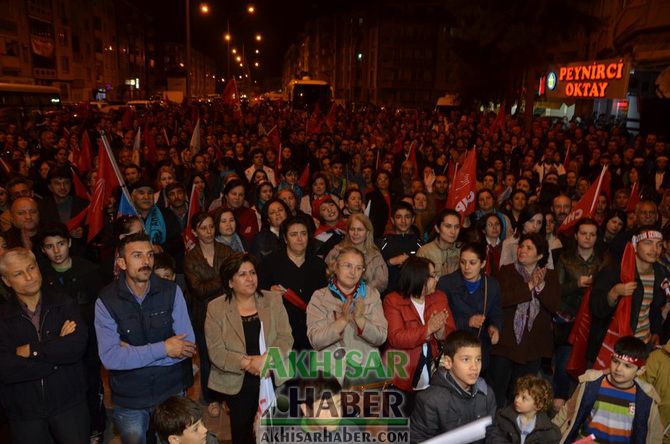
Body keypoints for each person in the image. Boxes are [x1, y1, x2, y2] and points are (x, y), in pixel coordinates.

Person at [95, 232, 196, 444]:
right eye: (137, 256)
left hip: (170, 391)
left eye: (150, 255)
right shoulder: (106, 300)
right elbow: (111, 358)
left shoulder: (171, 290)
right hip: (130, 397)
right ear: (121, 262)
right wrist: (165, 348)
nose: (146, 262)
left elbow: (186, 348)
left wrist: (131, 355)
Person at [0, 247, 90, 443]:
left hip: (69, 403)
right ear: (6, 281)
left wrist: (32, 350)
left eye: (31, 268)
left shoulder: (64, 303)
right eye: (18, 273)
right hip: (24, 410)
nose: (29, 277)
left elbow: (75, 348)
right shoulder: (3, 317)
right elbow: (5, 367)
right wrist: (55, 353)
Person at [205, 253, 293, 444]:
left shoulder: (273, 300)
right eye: (242, 274)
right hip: (239, 380)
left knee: (278, 432)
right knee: (243, 433)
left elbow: (285, 337)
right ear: (230, 282)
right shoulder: (216, 308)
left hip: (274, 373)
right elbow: (216, 352)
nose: (250, 278)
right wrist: (249, 363)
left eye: (252, 272)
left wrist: (266, 360)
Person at [38, 223, 107, 441]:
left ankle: (96, 427)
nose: (56, 251)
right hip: (55, 345)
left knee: (90, 387)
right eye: (50, 246)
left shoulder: (89, 270)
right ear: (43, 250)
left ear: (69, 243)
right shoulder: (39, 276)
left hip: (89, 344)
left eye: (60, 244)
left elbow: (101, 308)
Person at [489, 233, 561, 407]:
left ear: (540, 255)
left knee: (521, 392)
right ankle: (491, 424)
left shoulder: (549, 275)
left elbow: (554, 305)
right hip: (506, 342)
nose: (522, 250)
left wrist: (540, 286)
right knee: (496, 389)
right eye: (521, 246)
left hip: (533, 346)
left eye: (529, 248)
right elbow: (501, 300)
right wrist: (529, 286)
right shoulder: (506, 270)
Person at [553, 336, 663, 443]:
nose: (618, 369)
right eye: (615, 361)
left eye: (627, 366)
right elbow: (569, 409)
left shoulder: (646, 398)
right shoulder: (591, 384)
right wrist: (550, 431)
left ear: (640, 370)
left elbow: (654, 435)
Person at [383, 256, 455, 415]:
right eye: (432, 276)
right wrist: (428, 329)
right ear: (419, 278)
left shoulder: (439, 297)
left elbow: (451, 334)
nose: (437, 279)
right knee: (400, 427)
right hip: (402, 374)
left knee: (429, 425)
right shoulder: (393, 300)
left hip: (434, 374)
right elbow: (396, 337)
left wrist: (440, 332)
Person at [307, 246, 388, 385]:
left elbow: (381, 337)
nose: (353, 272)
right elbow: (316, 340)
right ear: (336, 267)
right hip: (330, 372)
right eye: (348, 266)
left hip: (364, 371)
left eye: (358, 268)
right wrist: (343, 321)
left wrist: (361, 320)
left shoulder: (372, 295)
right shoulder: (319, 297)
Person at [588, 226, 667, 366]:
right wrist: (614, 292)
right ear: (635, 245)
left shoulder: (661, 273)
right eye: (648, 243)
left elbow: (655, 308)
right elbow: (596, 309)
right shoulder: (614, 271)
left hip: (643, 345)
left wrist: (656, 331)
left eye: (659, 244)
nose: (655, 249)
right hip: (614, 345)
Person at [553, 218, 609, 410]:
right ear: (576, 235)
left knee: (588, 361)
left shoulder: (604, 260)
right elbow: (556, 289)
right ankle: (559, 398)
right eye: (584, 233)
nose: (587, 237)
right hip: (568, 317)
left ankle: (584, 401)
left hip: (594, 318)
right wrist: (576, 284)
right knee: (564, 359)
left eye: (592, 234)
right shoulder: (565, 258)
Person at [183, 212, 234, 418]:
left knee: (230, 354)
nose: (209, 231)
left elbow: (235, 277)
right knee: (207, 357)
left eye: (211, 226)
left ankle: (227, 396)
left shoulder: (225, 250)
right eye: (203, 228)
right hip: (203, 314)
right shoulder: (190, 258)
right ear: (195, 232)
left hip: (228, 310)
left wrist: (221, 280)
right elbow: (199, 290)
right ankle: (210, 397)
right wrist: (223, 278)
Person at [409, 330, 497, 444]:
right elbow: (417, 439)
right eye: (466, 359)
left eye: (478, 359)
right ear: (448, 362)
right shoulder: (430, 400)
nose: (474, 367)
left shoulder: (486, 393)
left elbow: (493, 432)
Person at [259, 215, 328, 352]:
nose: (299, 239)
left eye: (303, 234)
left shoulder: (318, 264)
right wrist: (268, 291)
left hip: (312, 330)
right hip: (281, 331)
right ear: (285, 238)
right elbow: (257, 293)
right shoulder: (270, 263)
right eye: (293, 234)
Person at [438, 243, 503, 373]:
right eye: (463, 262)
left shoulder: (492, 285)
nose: (466, 267)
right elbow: (441, 317)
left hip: (479, 348)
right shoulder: (446, 283)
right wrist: (468, 321)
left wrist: (494, 328)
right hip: (453, 347)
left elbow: (496, 313)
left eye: (472, 263)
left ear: (483, 263)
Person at [486, 375, 561, 443]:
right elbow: (494, 437)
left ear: (538, 405)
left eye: (524, 398)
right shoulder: (502, 417)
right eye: (517, 395)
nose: (517, 399)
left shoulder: (549, 432)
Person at [325, 213, 389, 293]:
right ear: (348, 232)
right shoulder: (337, 251)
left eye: (360, 229)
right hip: (337, 297)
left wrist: (359, 292)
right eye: (352, 229)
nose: (355, 233)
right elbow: (328, 275)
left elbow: (382, 282)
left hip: (367, 299)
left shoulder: (375, 255)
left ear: (367, 232)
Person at [377, 202, 424, 294]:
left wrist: (410, 262)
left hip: (413, 294)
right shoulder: (382, 242)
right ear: (392, 220)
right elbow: (373, 270)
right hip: (387, 294)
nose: (403, 221)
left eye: (407, 217)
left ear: (413, 219)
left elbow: (425, 272)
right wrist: (391, 262)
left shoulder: (420, 244)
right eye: (399, 217)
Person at [152, 396, 219, 444]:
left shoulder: (210, 440)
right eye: (195, 429)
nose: (205, 429)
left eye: (202, 422)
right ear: (174, 440)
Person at [416, 208, 462, 279]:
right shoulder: (425, 252)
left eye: (457, 227)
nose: (453, 232)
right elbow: (419, 282)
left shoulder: (462, 250)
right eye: (448, 226)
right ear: (437, 228)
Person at [251, 198, 289, 263]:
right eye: (272, 212)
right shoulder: (260, 239)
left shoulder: (296, 232)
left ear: (286, 213)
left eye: (280, 210)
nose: (277, 213)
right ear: (268, 219)